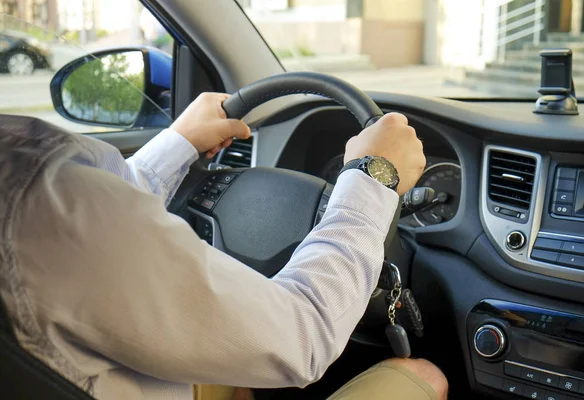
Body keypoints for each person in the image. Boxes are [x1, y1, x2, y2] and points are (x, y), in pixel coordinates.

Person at [0, 93, 447, 400]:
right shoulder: (33, 193)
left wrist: (178, 143)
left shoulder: (27, 183)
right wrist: (372, 177)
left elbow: (100, 212)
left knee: (234, 378)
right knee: (423, 376)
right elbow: (301, 336)